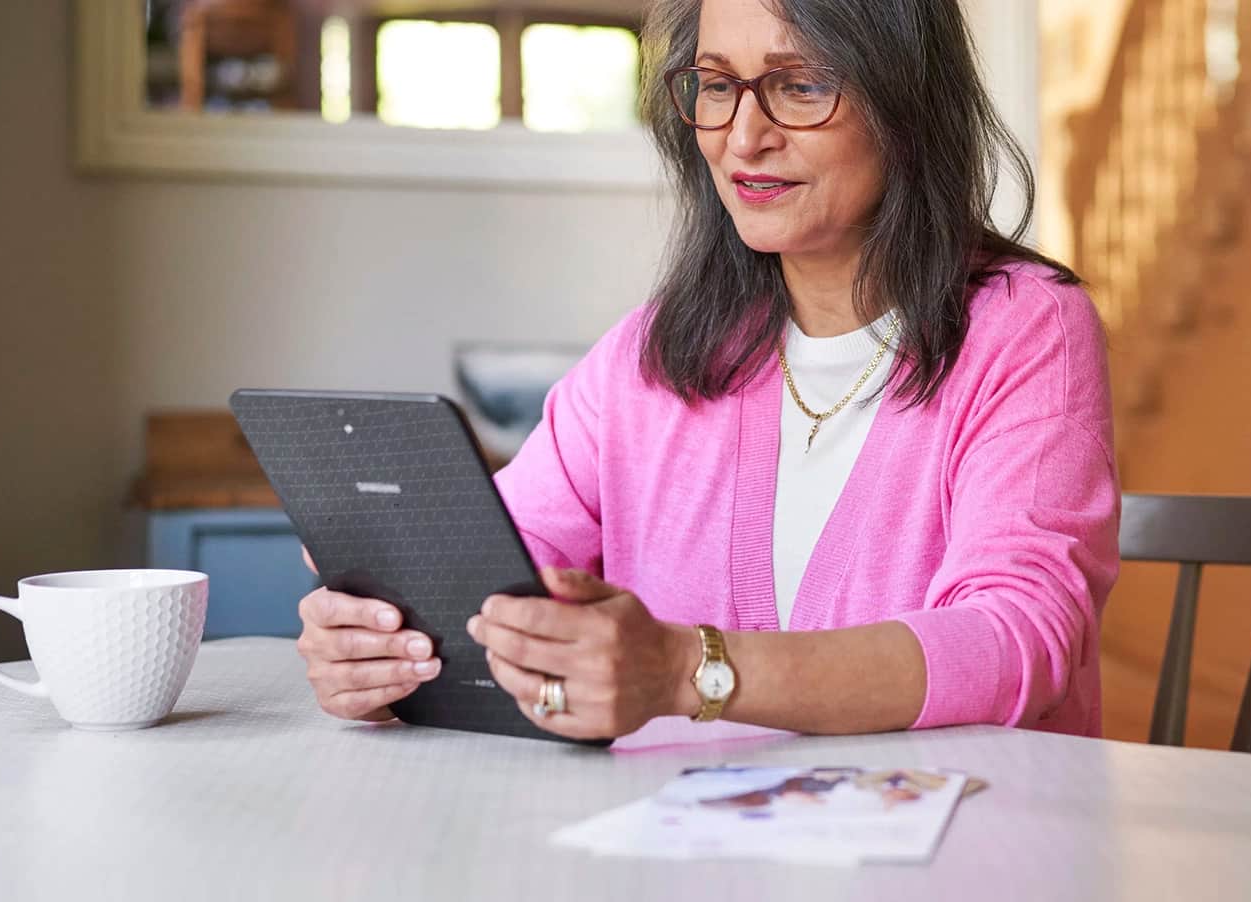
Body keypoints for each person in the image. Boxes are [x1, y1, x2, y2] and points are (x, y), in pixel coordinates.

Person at [294, 0, 1118, 740]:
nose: (742, 136)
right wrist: (385, 647)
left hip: (956, 868)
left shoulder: (1027, 327)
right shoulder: (650, 357)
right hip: (688, 875)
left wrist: (687, 671)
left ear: (906, 101)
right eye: (716, 84)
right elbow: (485, 577)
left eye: (800, 85)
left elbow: (1017, 639)